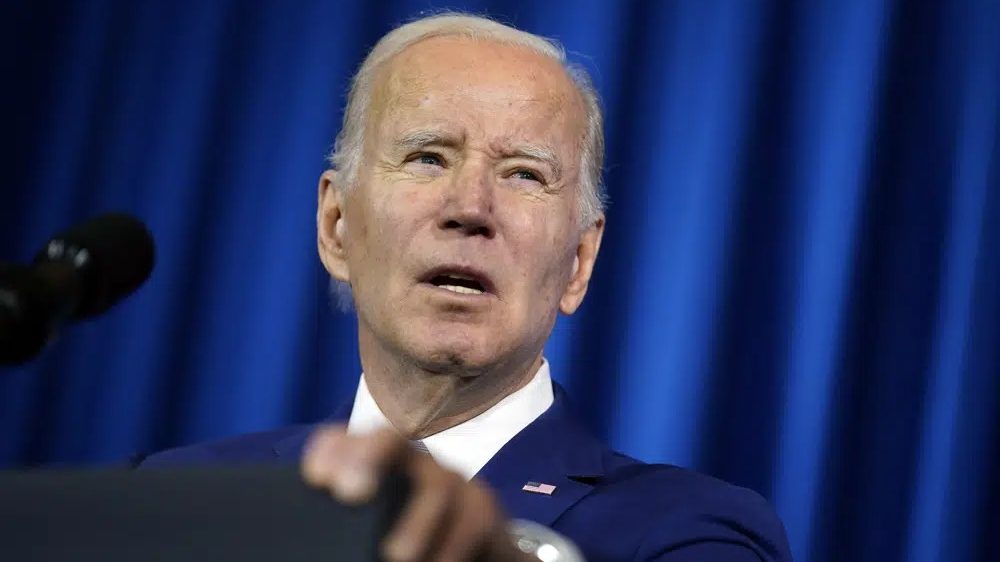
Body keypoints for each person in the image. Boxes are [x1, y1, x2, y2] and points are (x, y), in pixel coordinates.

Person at [142, 13, 793, 562]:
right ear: (337, 226)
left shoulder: (691, 531)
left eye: (524, 175)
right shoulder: (179, 496)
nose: (471, 207)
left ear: (578, 262)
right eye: (428, 157)